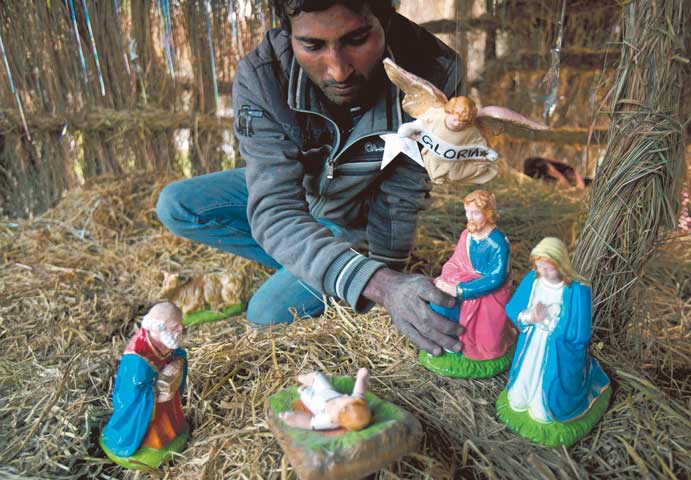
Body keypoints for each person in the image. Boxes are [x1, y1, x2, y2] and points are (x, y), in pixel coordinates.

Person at [156, 0, 465, 356]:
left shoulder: (435, 73)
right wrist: (379, 285)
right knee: (176, 205)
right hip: (301, 194)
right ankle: (320, 259)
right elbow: (275, 207)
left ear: (386, 19)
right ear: (287, 32)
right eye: (312, 46)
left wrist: (385, 279)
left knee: (264, 314)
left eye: (357, 39)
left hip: (355, 220)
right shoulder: (262, 76)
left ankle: (332, 257)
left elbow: (402, 195)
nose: (338, 71)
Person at [504, 237, 610, 424]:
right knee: (517, 398)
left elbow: (580, 333)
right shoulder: (533, 280)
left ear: (561, 265)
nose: (543, 272)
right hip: (531, 345)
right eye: (539, 267)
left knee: (542, 413)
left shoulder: (578, 290)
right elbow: (513, 309)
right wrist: (530, 316)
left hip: (558, 350)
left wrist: (550, 323)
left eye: (548, 268)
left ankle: (547, 402)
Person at [432, 190, 515, 365]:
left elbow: (496, 278)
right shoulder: (466, 235)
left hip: (486, 292)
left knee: (488, 337)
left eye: (475, 213)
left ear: (488, 214)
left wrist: (461, 290)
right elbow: (457, 260)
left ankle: (474, 346)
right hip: (461, 281)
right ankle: (447, 338)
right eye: (467, 212)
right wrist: (447, 277)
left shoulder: (497, 242)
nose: (469, 217)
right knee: (439, 297)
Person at [100, 302, 188, 463]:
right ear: (158, 328)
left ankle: (170, 433)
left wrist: (178, 362)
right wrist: (160, 394)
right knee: (152, 431)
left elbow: (178, 353)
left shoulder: (166, 340)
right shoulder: (136, 360)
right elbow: (131, 395)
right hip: (147, 412)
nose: (181, 329)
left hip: (167, 403)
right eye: (175, 326)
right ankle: (150, 443)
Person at [280, 367, 371, 431]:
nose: (346, 395)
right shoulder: (355, 401)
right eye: (349, 397)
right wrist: (361, 377)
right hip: (327, 391)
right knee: (317, 375)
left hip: (313, 400)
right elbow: (359, 392)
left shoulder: (328, 420)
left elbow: (309, 422)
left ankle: (303, 389)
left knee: (303, 391)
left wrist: (292, 418)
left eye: (346, 398)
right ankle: (303, 378)